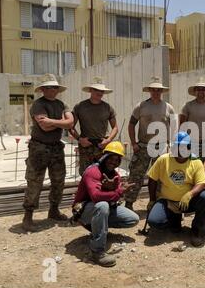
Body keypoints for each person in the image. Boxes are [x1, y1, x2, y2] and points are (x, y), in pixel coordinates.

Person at [72, 141, 139, 267]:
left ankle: (99, 228)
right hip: (84, 210)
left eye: (117, 159)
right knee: (102, 205)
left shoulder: (115, 176)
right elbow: (96, 197)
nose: (113, 162)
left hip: (100, 209)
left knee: (132, 219)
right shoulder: (93, 172)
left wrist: (117, 191)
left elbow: (115, 199)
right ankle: (97, 251)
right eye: (111, 158)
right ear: (104, 156)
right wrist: (118, 191)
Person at [22, 74, 74, 232]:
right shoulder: (38, 105)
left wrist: (52, 121)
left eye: (55, 87)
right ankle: (28, 216)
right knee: (35, 181)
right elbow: (44, 127)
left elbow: (70, 122)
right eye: (49, 87)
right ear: (43, 89)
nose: (52, 90)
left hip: (56, 147)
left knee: (59, 179)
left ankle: (53, 210)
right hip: (39, 147)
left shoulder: (62, 104)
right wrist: (61, 123)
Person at [147, 132, 205, 247]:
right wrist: (152, 200)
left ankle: (196, 230)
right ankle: (174, 219)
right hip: (167, 202)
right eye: (178, 147)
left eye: (185, 147)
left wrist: (190, 194)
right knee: (154, 222)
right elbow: (152, 179)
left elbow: (201, 183)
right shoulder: (163, 160)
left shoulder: (196, 161)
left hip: (187, 202)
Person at [125, 77, 176, 211]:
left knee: (160, 177)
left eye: (158, 90)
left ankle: (157, 203)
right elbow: (131, 125)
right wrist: (133, 143)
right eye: (153, 90)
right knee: (136, 175)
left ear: (161, 91)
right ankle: (129, 203)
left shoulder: (168, 107)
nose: (156, 92)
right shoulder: (141, 106)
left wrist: (171, 144)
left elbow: (174, 126)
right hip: (143, 146)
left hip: (161, 147)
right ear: (149, 91)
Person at [70, 77, 118, 176]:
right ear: (90, 90)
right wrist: (80, 140)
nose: (99, 92)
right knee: (85, 174)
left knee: (104, 173)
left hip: (102, 146)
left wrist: (108, 140)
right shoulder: (80, 106)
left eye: (101, 90)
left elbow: (115, 128)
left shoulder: (108, 107)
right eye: (96, 90)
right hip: (86, 146)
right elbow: (71, 127)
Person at [180, 77, 205, 162]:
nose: (201, 91)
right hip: (191, 143)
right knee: (191, 167)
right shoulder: (187, 106)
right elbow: (182, 126)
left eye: (203, 89)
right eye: (198, 89)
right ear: (195, 91)